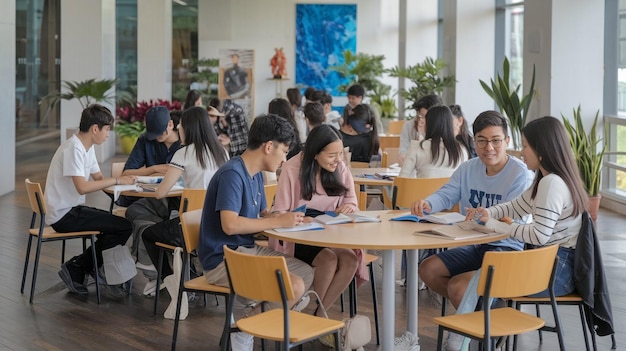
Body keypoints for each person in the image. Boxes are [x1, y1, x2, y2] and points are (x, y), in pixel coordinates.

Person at [197, 114, 314, 350]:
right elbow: (230, 224)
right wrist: (278, 222)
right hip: (223, 259)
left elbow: (260, 216)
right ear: (269, 147)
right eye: (284, 152)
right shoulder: (232, 173)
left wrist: (287, 218)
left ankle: (245, 322)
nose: (284, 160)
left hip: (245, 251)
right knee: (296, 286)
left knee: (306, 273)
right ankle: (246, 327)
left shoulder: (255, 174)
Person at [411, 110, 533, 310]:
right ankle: (489, 311)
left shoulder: (520, 174)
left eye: (496, 140)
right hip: (476, 244)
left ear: (507, 141)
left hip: (507, 249)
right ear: (474, 141)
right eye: (482, 141)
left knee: (459, 288)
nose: (489, 147)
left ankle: (486, 329)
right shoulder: (467, 168)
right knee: (428, 269)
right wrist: (428, 203)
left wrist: (483, 217)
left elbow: (511, 220)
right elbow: (447, 194)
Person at [469, 116, 589, 296]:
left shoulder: (551, 183)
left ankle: (486, 323)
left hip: (558, 271)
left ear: (541, 149)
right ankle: (490, 322)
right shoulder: (545, 179)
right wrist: (487, 212)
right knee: (483, 278)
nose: (521, 152)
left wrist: (495, 224)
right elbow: (515, 207)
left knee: (486, 281)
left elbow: (539, 235)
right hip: (551, 263)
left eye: (525, 146)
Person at [269, 124, 362, 315]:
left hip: (329, 230)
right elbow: (280, 211)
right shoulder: (292, 168)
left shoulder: (340, 167)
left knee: (350, 260)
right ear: (315, 153)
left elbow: (352, 199)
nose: (338, 160)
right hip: (299, 233)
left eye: (340, 153)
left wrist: (349, 207)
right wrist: (297, 220)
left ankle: (320, 313)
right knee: (328, 259)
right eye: (331, 155)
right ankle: (314, 314)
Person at [44, 104, 135, 295]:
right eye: (107, 129)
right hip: (64, 215)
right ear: (95, 129)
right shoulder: (73, 149)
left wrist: (125, 188)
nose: (109, 134)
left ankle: (85, 265)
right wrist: (118, 179)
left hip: (72, 210)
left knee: (118, 225)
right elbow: (82, 187)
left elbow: (99, 179)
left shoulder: (87, 147)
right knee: (123, 227)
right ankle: (79, 265)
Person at [141, 107, 228, 287]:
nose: (179, 130)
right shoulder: (222, 153)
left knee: (148, 234)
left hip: (191, 226)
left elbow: (160, 193)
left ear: (188, 128)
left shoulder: (183, 153)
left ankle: (169, 279)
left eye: (181, 126)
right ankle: (191, 275)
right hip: (218, 225)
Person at [399, 105, 469, 178]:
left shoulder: (417, 147)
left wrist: (421, 135)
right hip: (449, 189)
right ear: (450, 124)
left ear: (428, 124)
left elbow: (402, 180)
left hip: (422, 189)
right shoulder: (462, 150)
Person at [122, 106, 182, 178]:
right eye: (153, 134)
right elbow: (126, 173)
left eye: (159, 132)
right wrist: (154, 169)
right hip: (150, 187)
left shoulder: (186, 141)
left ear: (170, 124)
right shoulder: (145, 140)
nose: (156, 136)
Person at [400, 94, 443, 162]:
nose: (422, 120)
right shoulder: (409, 126)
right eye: (421, 116)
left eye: (427, 117)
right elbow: (403, 155)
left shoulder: (443, 129)